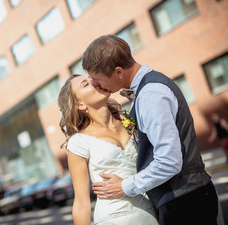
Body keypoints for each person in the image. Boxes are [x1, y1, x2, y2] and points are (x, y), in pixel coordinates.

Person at [82, 34, 222, 225]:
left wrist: (124, 186)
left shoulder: (150, 95)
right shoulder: (147, 90)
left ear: (118, 72)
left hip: (185, 203)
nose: (96, 85)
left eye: (97, 79)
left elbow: (169, 161)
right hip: (185, 199)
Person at [58, 74, 159, 224]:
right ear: (80, 104)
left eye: (91, 79)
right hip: (113, 218)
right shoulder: (78, 142)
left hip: (150, 212)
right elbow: (81, 204)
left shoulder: (129, 121)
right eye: (86, 84)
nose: (93, 82)